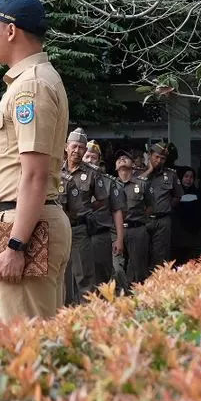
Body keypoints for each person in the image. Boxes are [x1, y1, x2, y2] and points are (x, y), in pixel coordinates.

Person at [0, 0, 72, 322]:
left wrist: (16, 246)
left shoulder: (31, 87)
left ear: (10, 30)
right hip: (21, 220)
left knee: (29, 349)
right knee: (37, 344)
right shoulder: (29, 82)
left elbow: (35, 174)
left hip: (23, 224)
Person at [61, 128, 115, 303]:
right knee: (60, 275)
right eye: (74, 146)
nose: (77, 150)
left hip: (79, 228)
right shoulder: (54, 170)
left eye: (81, 148)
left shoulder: (93, 172)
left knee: (84, 275)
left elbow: (102, 200)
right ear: (66, 147)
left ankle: (88, 316)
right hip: (58, 228)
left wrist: (84, 208)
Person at [139, 141, 183, 272]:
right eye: (156, 157)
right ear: (150, 155)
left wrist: (167, 206)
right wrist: (149, 170)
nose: (159, 161)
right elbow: (132, 188)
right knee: (141, 255)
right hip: (142, 221)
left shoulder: (171, 174)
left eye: (162, 158)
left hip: (163, 220)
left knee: (160, 257)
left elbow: (178, 195)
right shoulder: (138, 173)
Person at [112, 151, 148, 292]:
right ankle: (123, 295)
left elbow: (150, 207)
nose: (122, 159)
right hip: (115, 231)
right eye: (119, 158)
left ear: (133, 165)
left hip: (137, 229)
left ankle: (140, 298)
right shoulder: (111, 185)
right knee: (116, 268)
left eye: (126, 158)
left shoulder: (142, 184)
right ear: (115, 167)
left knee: (138, 269)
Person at [175, 166, 201, 263]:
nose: (189, 180)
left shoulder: (199, 194)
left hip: (196, 237)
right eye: (186, 176)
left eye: (191, 177)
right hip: (178, 238)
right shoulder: (174, 194)